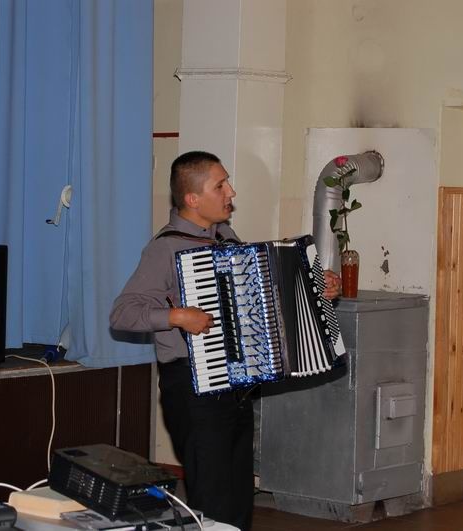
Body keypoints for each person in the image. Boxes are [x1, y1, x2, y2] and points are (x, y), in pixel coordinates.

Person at [109, 151, 341, 530]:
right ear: (192, 199)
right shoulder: (164, 248)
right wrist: (177, 317)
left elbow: (263, 300)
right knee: (212, 499)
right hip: (191, 389)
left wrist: (316, 287)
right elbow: (122, 313)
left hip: (235, 386)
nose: (230, 191)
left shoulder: (226, 237)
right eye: (220, 185)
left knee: (237, 496)